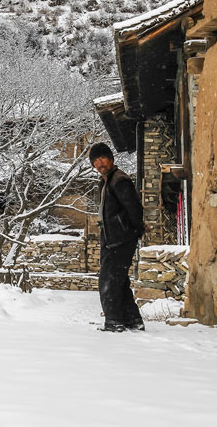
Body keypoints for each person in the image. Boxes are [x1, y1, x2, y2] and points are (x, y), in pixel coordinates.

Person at [89, 142, 145, 332]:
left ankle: (114, 322)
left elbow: (134, 209)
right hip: (112, 238)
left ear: (111, 159)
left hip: (120, 239)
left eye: (102, 158)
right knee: (119, 281)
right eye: (95, 161)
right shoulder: (106, 181)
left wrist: (134, 231)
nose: (99, 163)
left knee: (108, 282)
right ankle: (132, 320)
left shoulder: (119, 180)